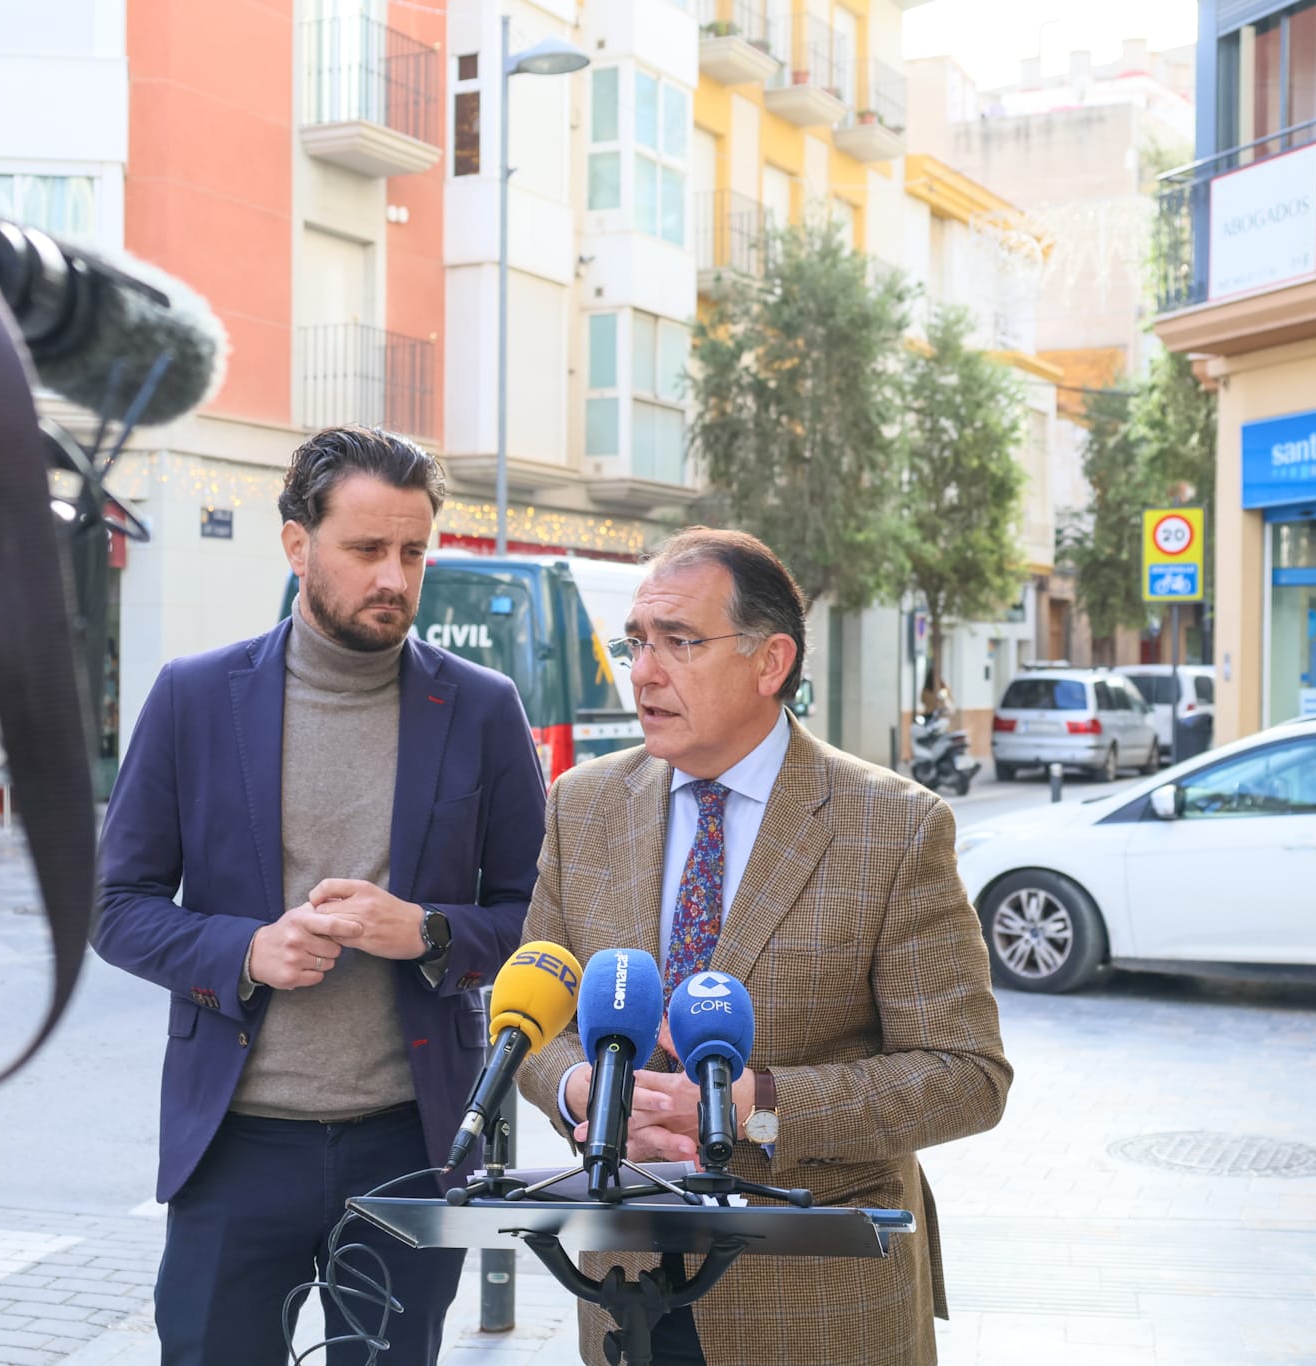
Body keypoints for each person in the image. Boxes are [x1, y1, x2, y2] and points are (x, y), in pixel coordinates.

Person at [92, 426, 548, 1366]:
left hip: (411, 1149)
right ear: (298, 544)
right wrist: (245, 952)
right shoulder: (192, 697)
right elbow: (117, 905)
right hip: (234, 1148)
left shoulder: (482, 707)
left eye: (414, 551)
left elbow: (541, 925)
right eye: (367, 549)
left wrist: (424, 932)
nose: (395, 577)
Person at [517, 527, 1012, 1366]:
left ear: (770, 661)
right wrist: (579, 1090)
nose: (643, 671)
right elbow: (535, 1016)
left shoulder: (893, 826)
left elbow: (967, 1075)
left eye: (679, 642)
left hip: (821, 1306)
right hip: (623, 1299)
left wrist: (756, 1101)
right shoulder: (581, 804)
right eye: (636, 642)